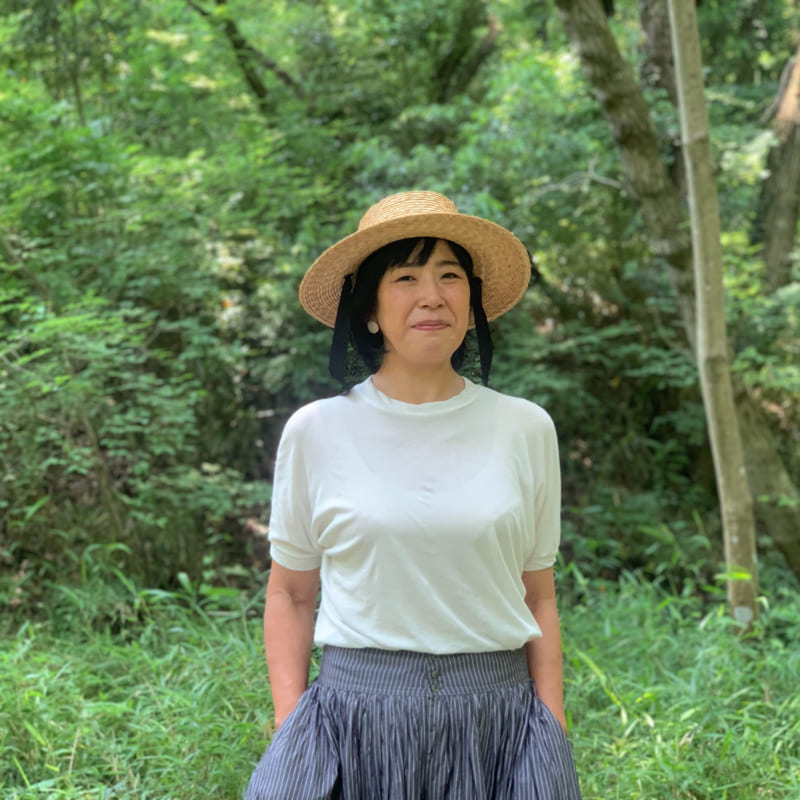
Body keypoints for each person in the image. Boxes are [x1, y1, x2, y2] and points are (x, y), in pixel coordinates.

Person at [245, 191, 581, 800]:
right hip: (351, 718)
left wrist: (551, 727)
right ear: (370, 308)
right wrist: (290, 724)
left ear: (471, 302)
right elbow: (290, 593)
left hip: (497, 722)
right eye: (406, 278)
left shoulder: (525, 428)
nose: (432, 295)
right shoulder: (316, 430)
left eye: (450, 276)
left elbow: (538, 594)